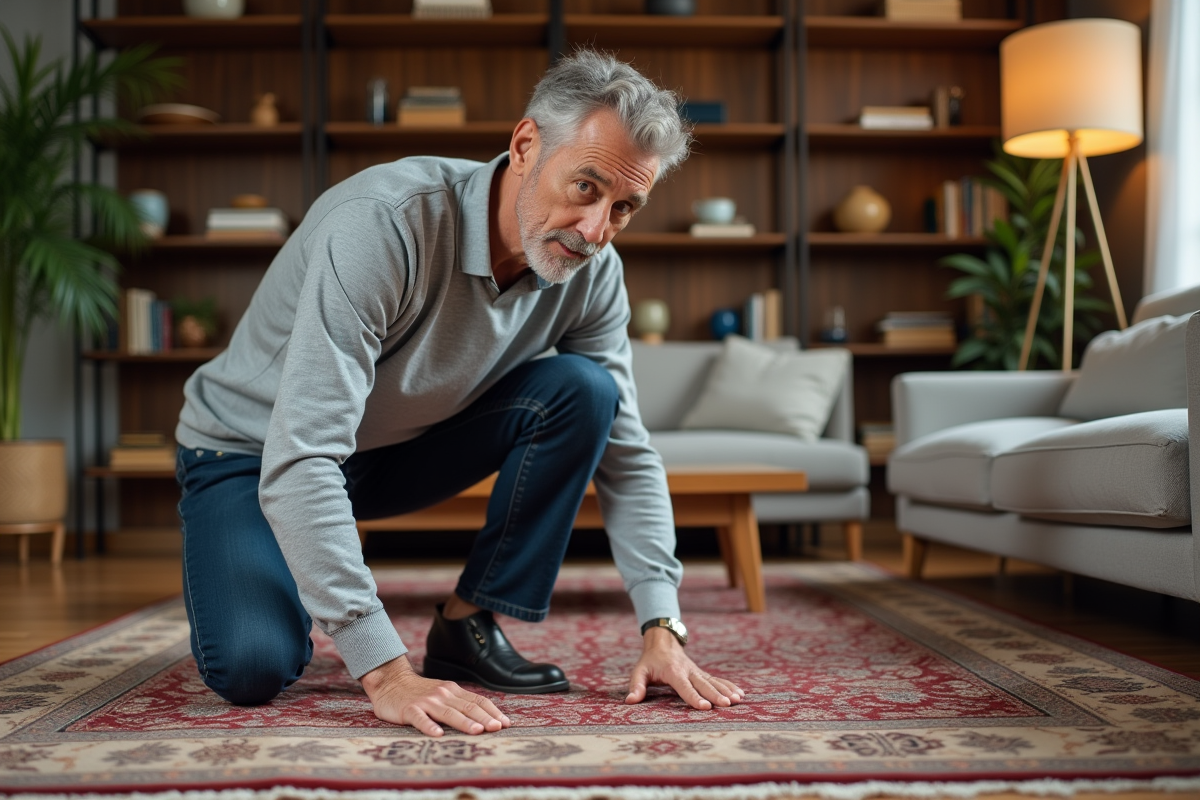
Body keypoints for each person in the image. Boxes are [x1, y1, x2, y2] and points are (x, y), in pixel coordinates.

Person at [174, 49, 744, 738]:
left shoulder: (593, 272)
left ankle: (467, 625)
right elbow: (301, 456)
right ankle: (279, 563)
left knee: (584, 392)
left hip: (388, 454)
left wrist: (662, 626)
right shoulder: (382, 227)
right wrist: (385, 671)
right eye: (586, 187)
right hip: (249, 452)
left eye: (625, 207)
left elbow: (625, 451)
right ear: (527, 144)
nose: (596, 232)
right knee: (253, 667)